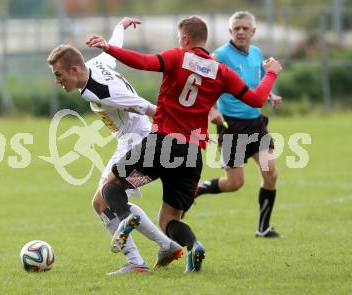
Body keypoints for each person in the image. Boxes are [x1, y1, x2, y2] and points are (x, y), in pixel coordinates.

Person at [86, 15, 282, 272]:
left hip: (162, 144)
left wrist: (110, 48)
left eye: (180, 39)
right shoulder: (222, 72)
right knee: (169, 219)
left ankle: (127, 216)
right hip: (191, 154)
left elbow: (143, 63)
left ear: (186, 39)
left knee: (111, 186)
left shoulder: (177, 57)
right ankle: (193, 245)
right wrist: (271, 74)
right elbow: (256, 99)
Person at [47, 17, 183, 275]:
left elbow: (143, 106)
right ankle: (163, 247)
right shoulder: (96, 63)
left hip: (137, 140)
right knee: (105, 200)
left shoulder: (100, 91)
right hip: (134, 138)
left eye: (58, 74)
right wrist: (120, 27)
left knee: (104, 199)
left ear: (74, 69)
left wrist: (181, 125)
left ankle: (138, 261)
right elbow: (112, 47)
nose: (57, 80)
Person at [197, 11, 283, 238]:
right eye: (237, 28)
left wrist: (269, 96)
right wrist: (211, 109)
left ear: (253, 31)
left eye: (245, 28)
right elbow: (203, 85)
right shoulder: (220, 55)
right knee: (234, 183)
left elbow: (254, 84)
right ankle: (195, 190)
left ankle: (263, 228)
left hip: (255, 123)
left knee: (271, 174)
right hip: (231, 126)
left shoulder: (256, 53)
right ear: (230, 32)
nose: (241, 32)